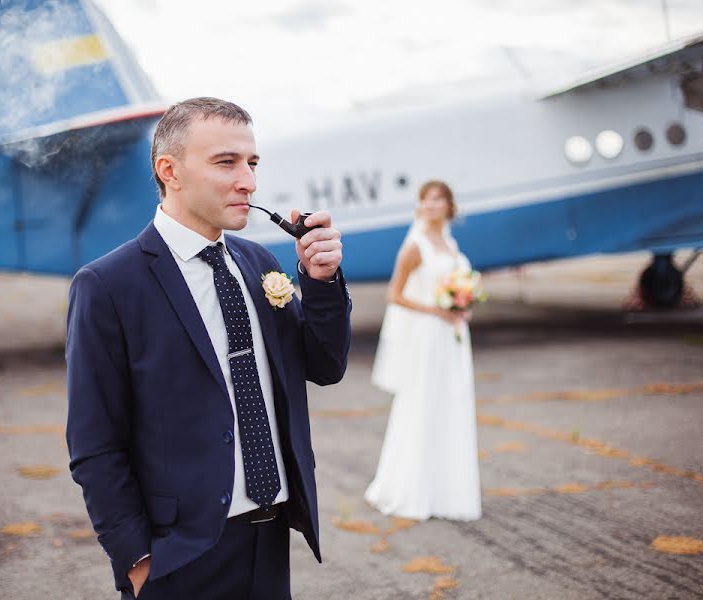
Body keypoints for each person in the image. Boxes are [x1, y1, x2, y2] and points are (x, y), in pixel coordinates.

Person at [65, 97, 352, 599]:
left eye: (252, 163)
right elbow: (95, 445)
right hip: (181, 554)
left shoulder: (259, 261)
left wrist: (321, 281)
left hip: (272, 534)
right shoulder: (108, 285)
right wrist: (137, 560)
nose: (249, 181)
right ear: (169, 171)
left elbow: (324, 367)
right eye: (227, 162)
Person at [364, 180, 482, 521]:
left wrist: (464, 306)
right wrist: (438, 311)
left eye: (438, 199)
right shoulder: (415, 247)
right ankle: (410, 490)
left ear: (449, 206)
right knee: (423, 405)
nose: (431, 205)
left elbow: (458, 285)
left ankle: (448, 491)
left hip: (453, 337)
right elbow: (395, 295)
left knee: (452, 405)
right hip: (429, 337)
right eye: (426, 200)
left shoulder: (451, 244)